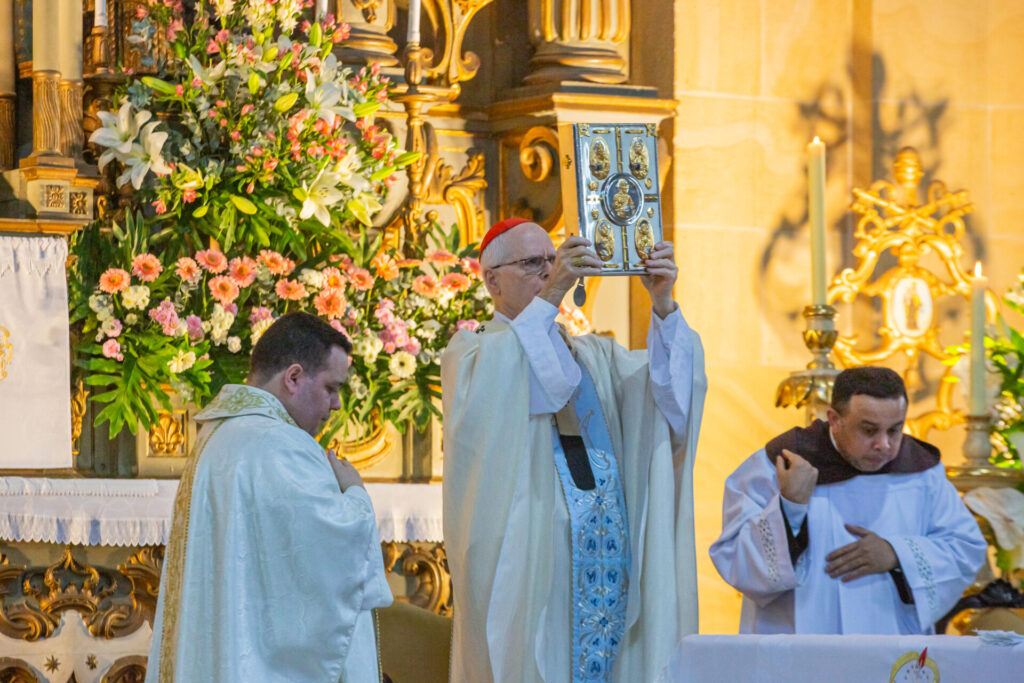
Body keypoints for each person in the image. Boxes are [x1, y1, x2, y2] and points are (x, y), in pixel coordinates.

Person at [442, 218, 706, 682]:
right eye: (533, 263)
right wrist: (552, 294)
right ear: (492, 280)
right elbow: (528, 385)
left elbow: (669, 404)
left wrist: (662, 303)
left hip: (607, 558)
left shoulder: (594, 356)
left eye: (554, 260)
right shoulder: (473, 353)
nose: (550, 271)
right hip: (535, 566)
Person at [146, 312, 392, 682]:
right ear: (293, 377)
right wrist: (355, 492)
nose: (337, 404)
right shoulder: (282, 445)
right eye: (331, 387)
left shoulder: (218, 436)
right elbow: (337, 557)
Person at [709, 366, 986, 634]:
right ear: (834, 419)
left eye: (894, 429)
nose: (884, 445)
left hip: (891, 649)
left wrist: (897, 554)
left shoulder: (922, 472)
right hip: (801, 651)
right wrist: (790, 506)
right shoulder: (778, 465)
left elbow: (966, 549)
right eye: (868, 430)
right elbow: (734, 559)